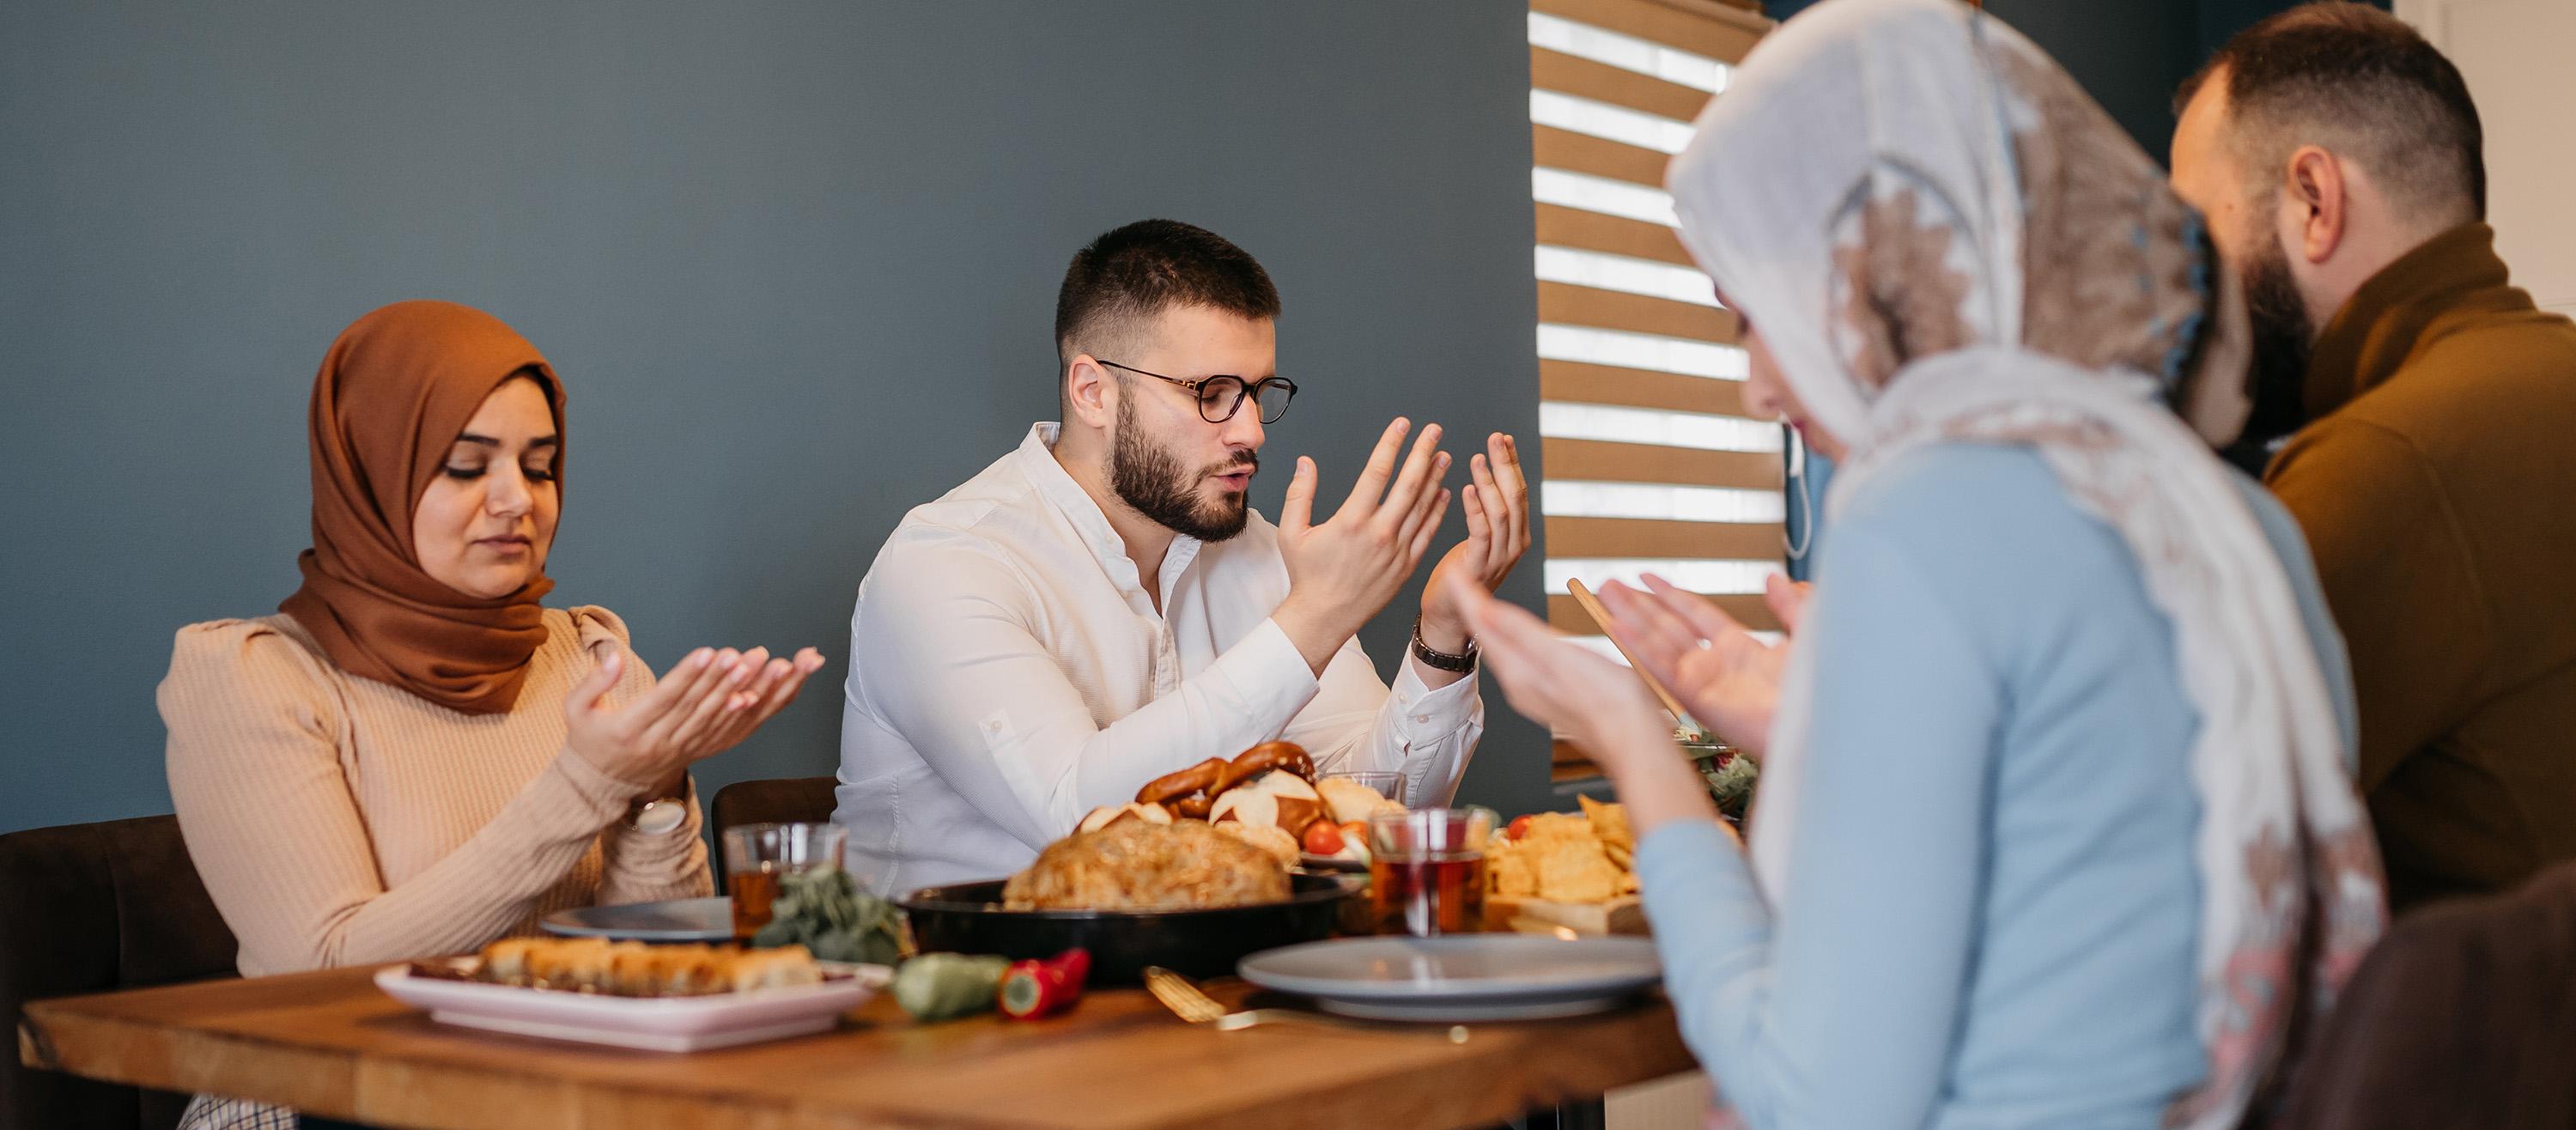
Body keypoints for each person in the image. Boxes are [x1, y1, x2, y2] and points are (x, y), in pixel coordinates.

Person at [1447, 2, 2384, 1126]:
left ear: (1875, 276)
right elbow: (2079, 856)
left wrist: (1637, 746)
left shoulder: (1926, 513)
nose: (1754, 387)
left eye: (1752, 317)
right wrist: (1823, 736)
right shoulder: (2238, 519)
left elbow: (1815, 1096)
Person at [161, 301, 822, 1130]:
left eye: (540, 467)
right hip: (333, 1100)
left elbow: (654, 963)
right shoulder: (253, 677)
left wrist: (653, 791)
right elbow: (326, 977)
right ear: (371, 473)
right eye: (467, 468)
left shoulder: (590, 654)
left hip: (560, 1094)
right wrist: (585, 785)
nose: (517, 500)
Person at [835, 219, 1529, 893]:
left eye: (1259, 393)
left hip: (1196, 986)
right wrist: (1314, 619)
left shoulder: (1256, 552)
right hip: (951, 990)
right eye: (1212, 394)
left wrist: (1443, 637)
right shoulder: (946, 563)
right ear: (1093, 392)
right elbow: (1076, 815)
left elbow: (1379, 817)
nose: (1251, 431)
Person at [2170, 2, 2576, 910]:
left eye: (2199, 228)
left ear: (2315, 200)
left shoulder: (2381, 464)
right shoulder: (2548, 373)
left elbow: (2164, 853)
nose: (2185, 285)